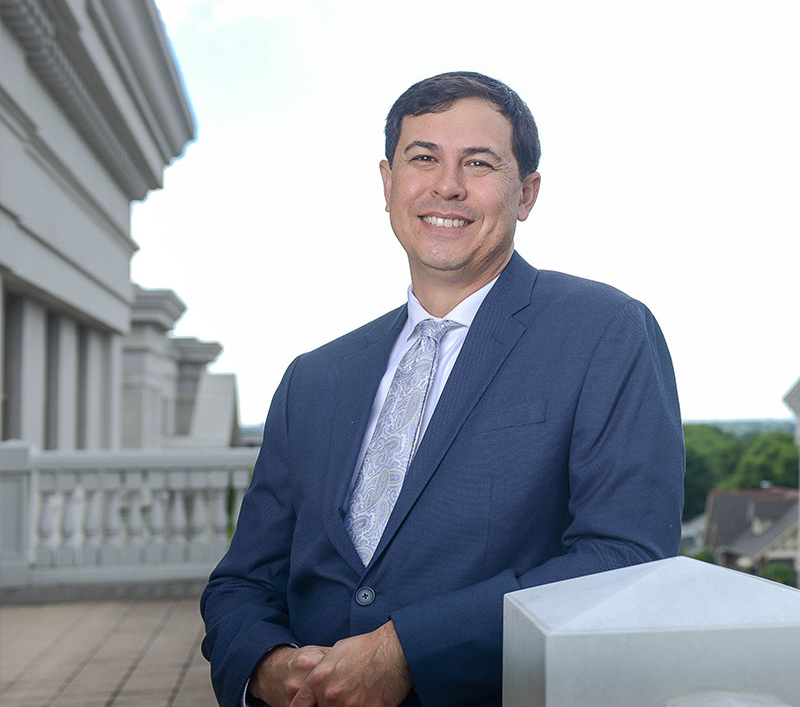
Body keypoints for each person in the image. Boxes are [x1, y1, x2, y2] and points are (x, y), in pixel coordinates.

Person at [201, 72, 684, 707]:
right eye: (423, 158)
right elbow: (241, 582)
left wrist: (409, 649)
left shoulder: (605, 332)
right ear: (387, 183)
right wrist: (265, 666)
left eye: (478, 163)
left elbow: (626, 557)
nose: (447, 185)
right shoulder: (312, 378)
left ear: (526, 194)